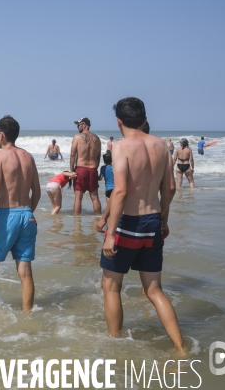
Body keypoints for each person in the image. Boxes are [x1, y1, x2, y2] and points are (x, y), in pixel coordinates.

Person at [101, 97, 184, 354]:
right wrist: (164, 218)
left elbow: (121, 191)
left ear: (119, 121)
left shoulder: (122, 147)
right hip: (153, 221)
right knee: (154, 290)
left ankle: (116, 344)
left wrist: (110, 233)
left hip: (128, 223)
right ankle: (181, 348)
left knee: (111, 286)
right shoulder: (161, 145)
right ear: (144, 119)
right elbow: (170, 187)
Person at [0, 116, 40, 312]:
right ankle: (27, 315)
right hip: (27, 215)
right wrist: (28, 211)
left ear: (2, 135)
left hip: (7, 216)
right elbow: (37, 192)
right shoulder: (28, 157)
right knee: (25, 272)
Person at [70, 117, 102, 215]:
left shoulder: (77, 137)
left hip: (80, 169)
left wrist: (72, 171)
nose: (77, 127)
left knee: (78, 198)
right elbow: (98, 156)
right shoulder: (97, 138)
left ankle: (77, 224)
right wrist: (95, 170)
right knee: (95, 197)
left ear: (84, 125)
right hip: (92, 169)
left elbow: (72, 155)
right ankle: (97, 218)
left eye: (79, 125)